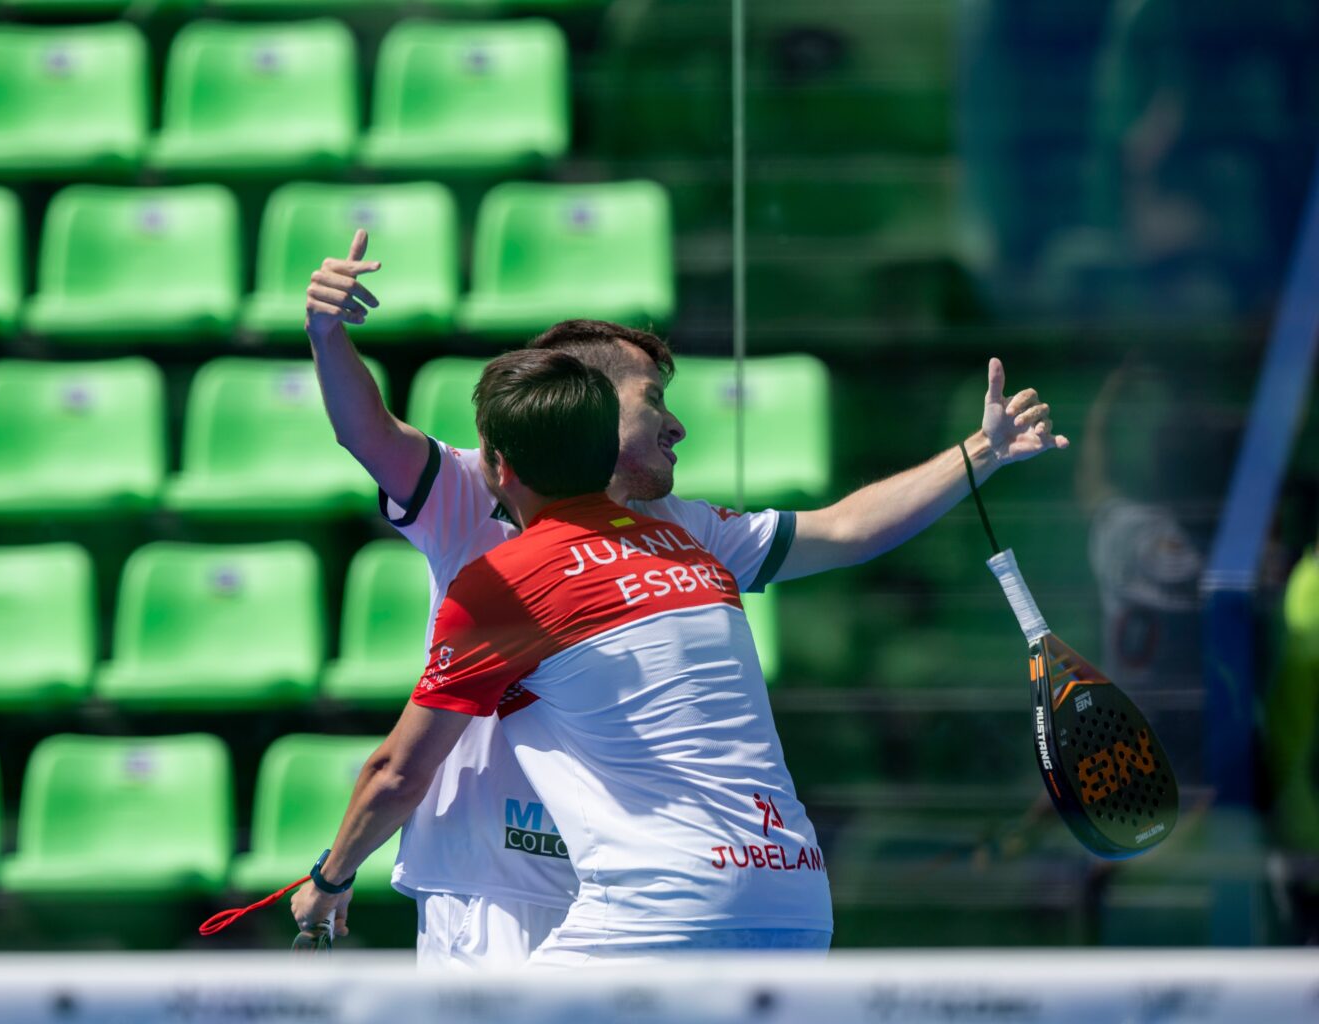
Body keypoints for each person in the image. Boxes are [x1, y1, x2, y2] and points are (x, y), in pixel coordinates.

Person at [297, 229, 1067, 966]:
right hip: (487, 878)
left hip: (624, 879)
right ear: (589, 402)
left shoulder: (685, 528)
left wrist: (980, 452)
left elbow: (845, 528)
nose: (677, 425)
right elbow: (367, 430)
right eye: (654, 399)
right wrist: (328, 334)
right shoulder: (476, 484)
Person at [288, 349, 833, 962]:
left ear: (498, 465)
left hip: (656, 898)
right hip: (796, 887)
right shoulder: (692, 553)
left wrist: (328, 878)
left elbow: (397, 772)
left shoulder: (506, 581)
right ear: (609, 452)